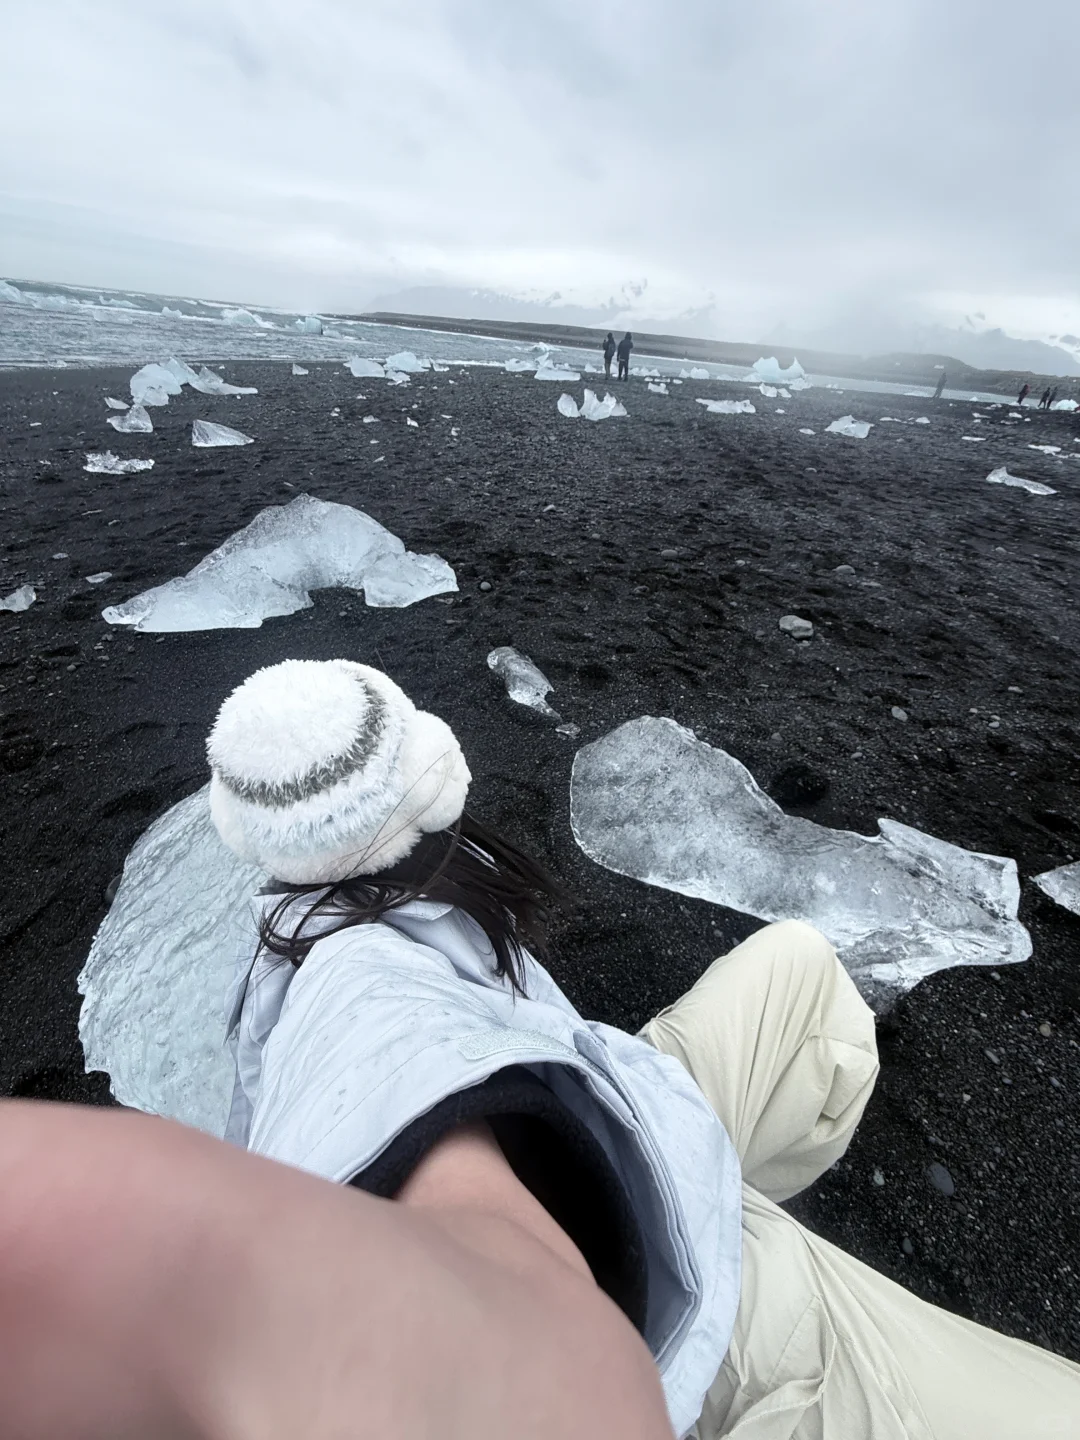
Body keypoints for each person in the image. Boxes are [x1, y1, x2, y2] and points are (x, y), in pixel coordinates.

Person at [3, 658, 1079, 1440]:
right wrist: (531, 1333)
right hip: (690, 1331)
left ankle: (722, 1181)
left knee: (800, 966)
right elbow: (436, 1183)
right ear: (421, 786)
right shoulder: (360, 988)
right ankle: (737, 1267)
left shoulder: (379, 901)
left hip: (626, 1113)